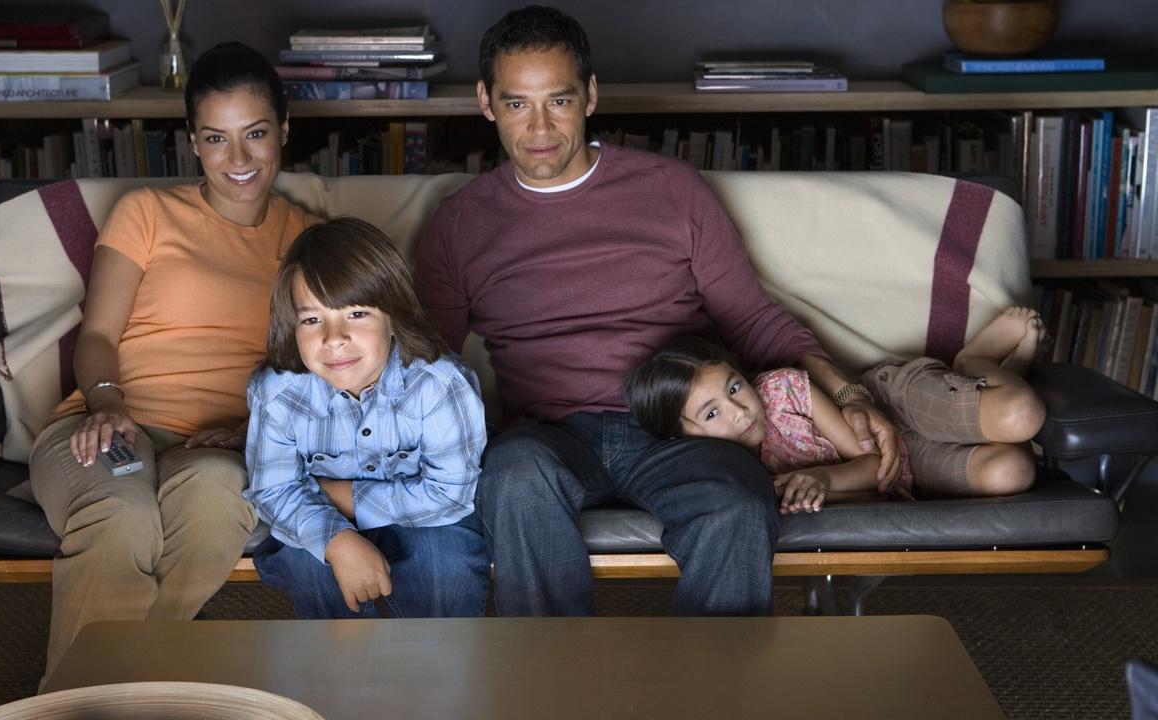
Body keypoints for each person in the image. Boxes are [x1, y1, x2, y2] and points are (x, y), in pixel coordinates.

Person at [413, 5, 903, 617]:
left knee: (737, 504)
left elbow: (753, 320)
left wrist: (852, 396)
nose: (539, 127)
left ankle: (709, 695)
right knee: (513, 478)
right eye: (517, 104)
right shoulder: (460, 224)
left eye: (558, 101)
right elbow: (426, 361)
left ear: (590, 95)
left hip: (681, 428)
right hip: (549, 437)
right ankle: (544, 687)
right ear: (486, 102)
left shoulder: (671, 190)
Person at [27, 41, 320, 682]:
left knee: (216, 496)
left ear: (284, 132)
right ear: (193, 141)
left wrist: (254, 432)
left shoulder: (306, 241)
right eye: (217, 139)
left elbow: (320, 370)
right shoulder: (147, 213)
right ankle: (78, 701)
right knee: (122, 514)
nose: (237, 159)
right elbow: (98, 336)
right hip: (110, 420)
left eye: (256, 135)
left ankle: (117, 686)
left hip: (222, 443)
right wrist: (107, 403)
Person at [244, 217, 490, 619]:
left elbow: (449, 495)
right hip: (320, 518)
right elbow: (274, 491)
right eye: (311, 320)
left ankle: (437, 674)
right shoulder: (279, 393)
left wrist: (346, 497)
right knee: (308, 563)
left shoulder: (441, 384)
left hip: (431, 520)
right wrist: (338, 539)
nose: (334, 337)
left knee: (447, 568)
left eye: (356, 314)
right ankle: (343, 676)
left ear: (394, 316)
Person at [624, 308, 1048, 513]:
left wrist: (821, 478)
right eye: (712, 414)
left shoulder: (782, 390)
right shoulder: (737, 478)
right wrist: (819, 491)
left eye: (734, 386)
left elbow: (869, 461)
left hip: (894, 406)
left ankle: (974, 362)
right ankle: (984, 391)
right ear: (685, 437)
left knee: (1023, 415)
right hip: (909, 471)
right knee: (1014, 471)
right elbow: (876, 492)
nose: (739, 410)